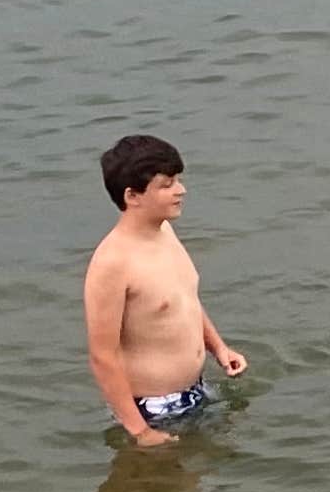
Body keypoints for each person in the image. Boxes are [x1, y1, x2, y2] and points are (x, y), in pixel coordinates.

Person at [83, 133, 244, 444]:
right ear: (133, 196)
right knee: (160, 489)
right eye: (167, 185)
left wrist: (219, 348)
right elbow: (102, 356)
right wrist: (141, 431)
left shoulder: (165, 232)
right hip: (152, 411)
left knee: (202, 486)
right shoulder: (112, 263)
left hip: (198, 389)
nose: (181, 190)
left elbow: (184, 300)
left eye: (178, 181)